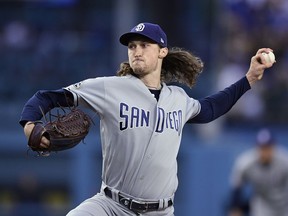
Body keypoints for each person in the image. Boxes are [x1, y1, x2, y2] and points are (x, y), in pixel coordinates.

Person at [19, 22, 274, 216]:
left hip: (160, 211)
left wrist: (249, 78)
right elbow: (47, 97)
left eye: (144, 45)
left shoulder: (178, 98)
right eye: (132, 46)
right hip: (110, 206)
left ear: (162, 51)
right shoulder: (110, 87)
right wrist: (30, 124)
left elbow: (210, 109)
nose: (136, 51)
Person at [228, 128, 288, 216]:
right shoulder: (246, 163)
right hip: (262, 205)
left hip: (285, 204)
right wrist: (235, 207)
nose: (265, 151)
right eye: (262, 147)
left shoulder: (284, 161)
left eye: (267, 147)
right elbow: (237, 186)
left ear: (274, 147)